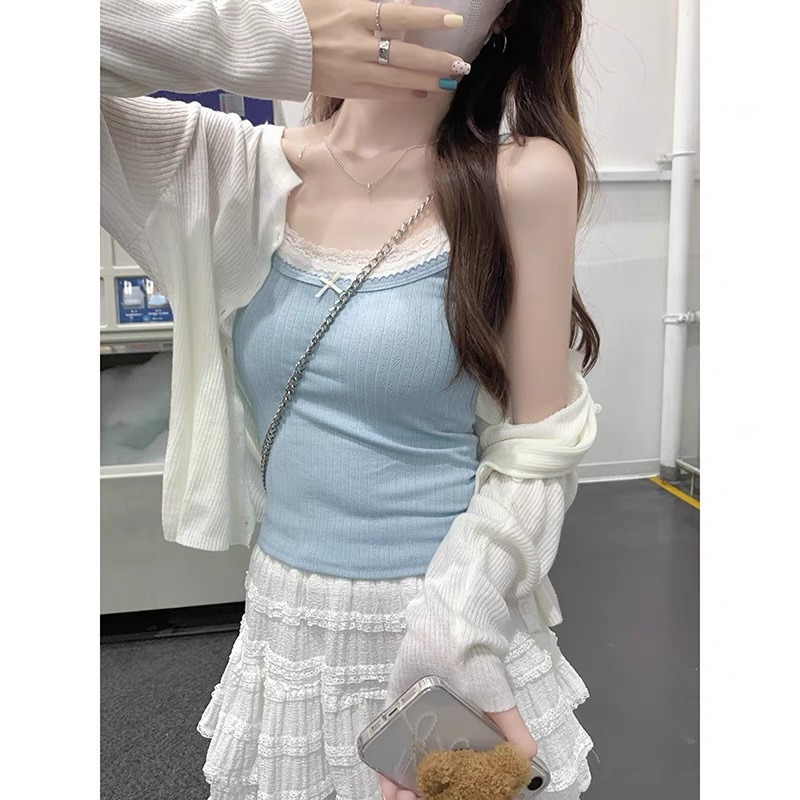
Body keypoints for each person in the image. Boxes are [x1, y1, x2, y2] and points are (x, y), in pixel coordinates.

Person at [100, 1, 603, 798]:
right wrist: (273, 44)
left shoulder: (520, 177)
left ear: (502, 24)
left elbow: (542, 444)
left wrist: (457, 620)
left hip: (452, 613)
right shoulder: (224, 167)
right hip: (288, 627)